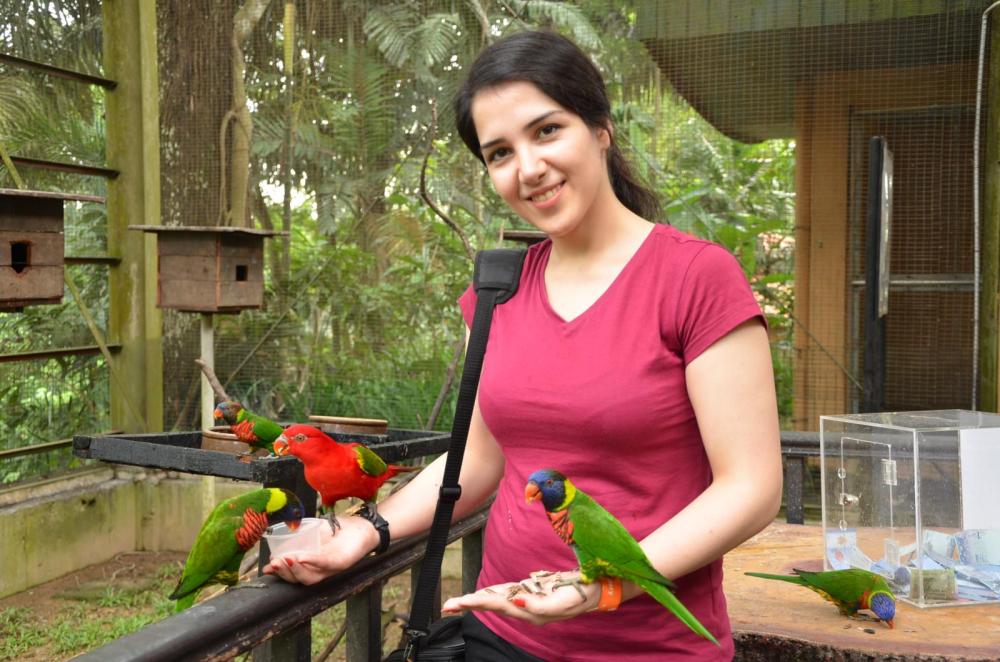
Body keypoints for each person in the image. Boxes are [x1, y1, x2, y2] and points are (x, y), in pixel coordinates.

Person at [265, 29, 782, 661]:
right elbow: (478, 463)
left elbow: (751, 488)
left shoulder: (695, 277)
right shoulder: (494, 292)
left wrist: (601, 586)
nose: (528, 169)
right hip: (501, 633)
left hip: (651, 647)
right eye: (499, 153)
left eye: (546, 131)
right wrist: (367, 532)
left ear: (600, 128)